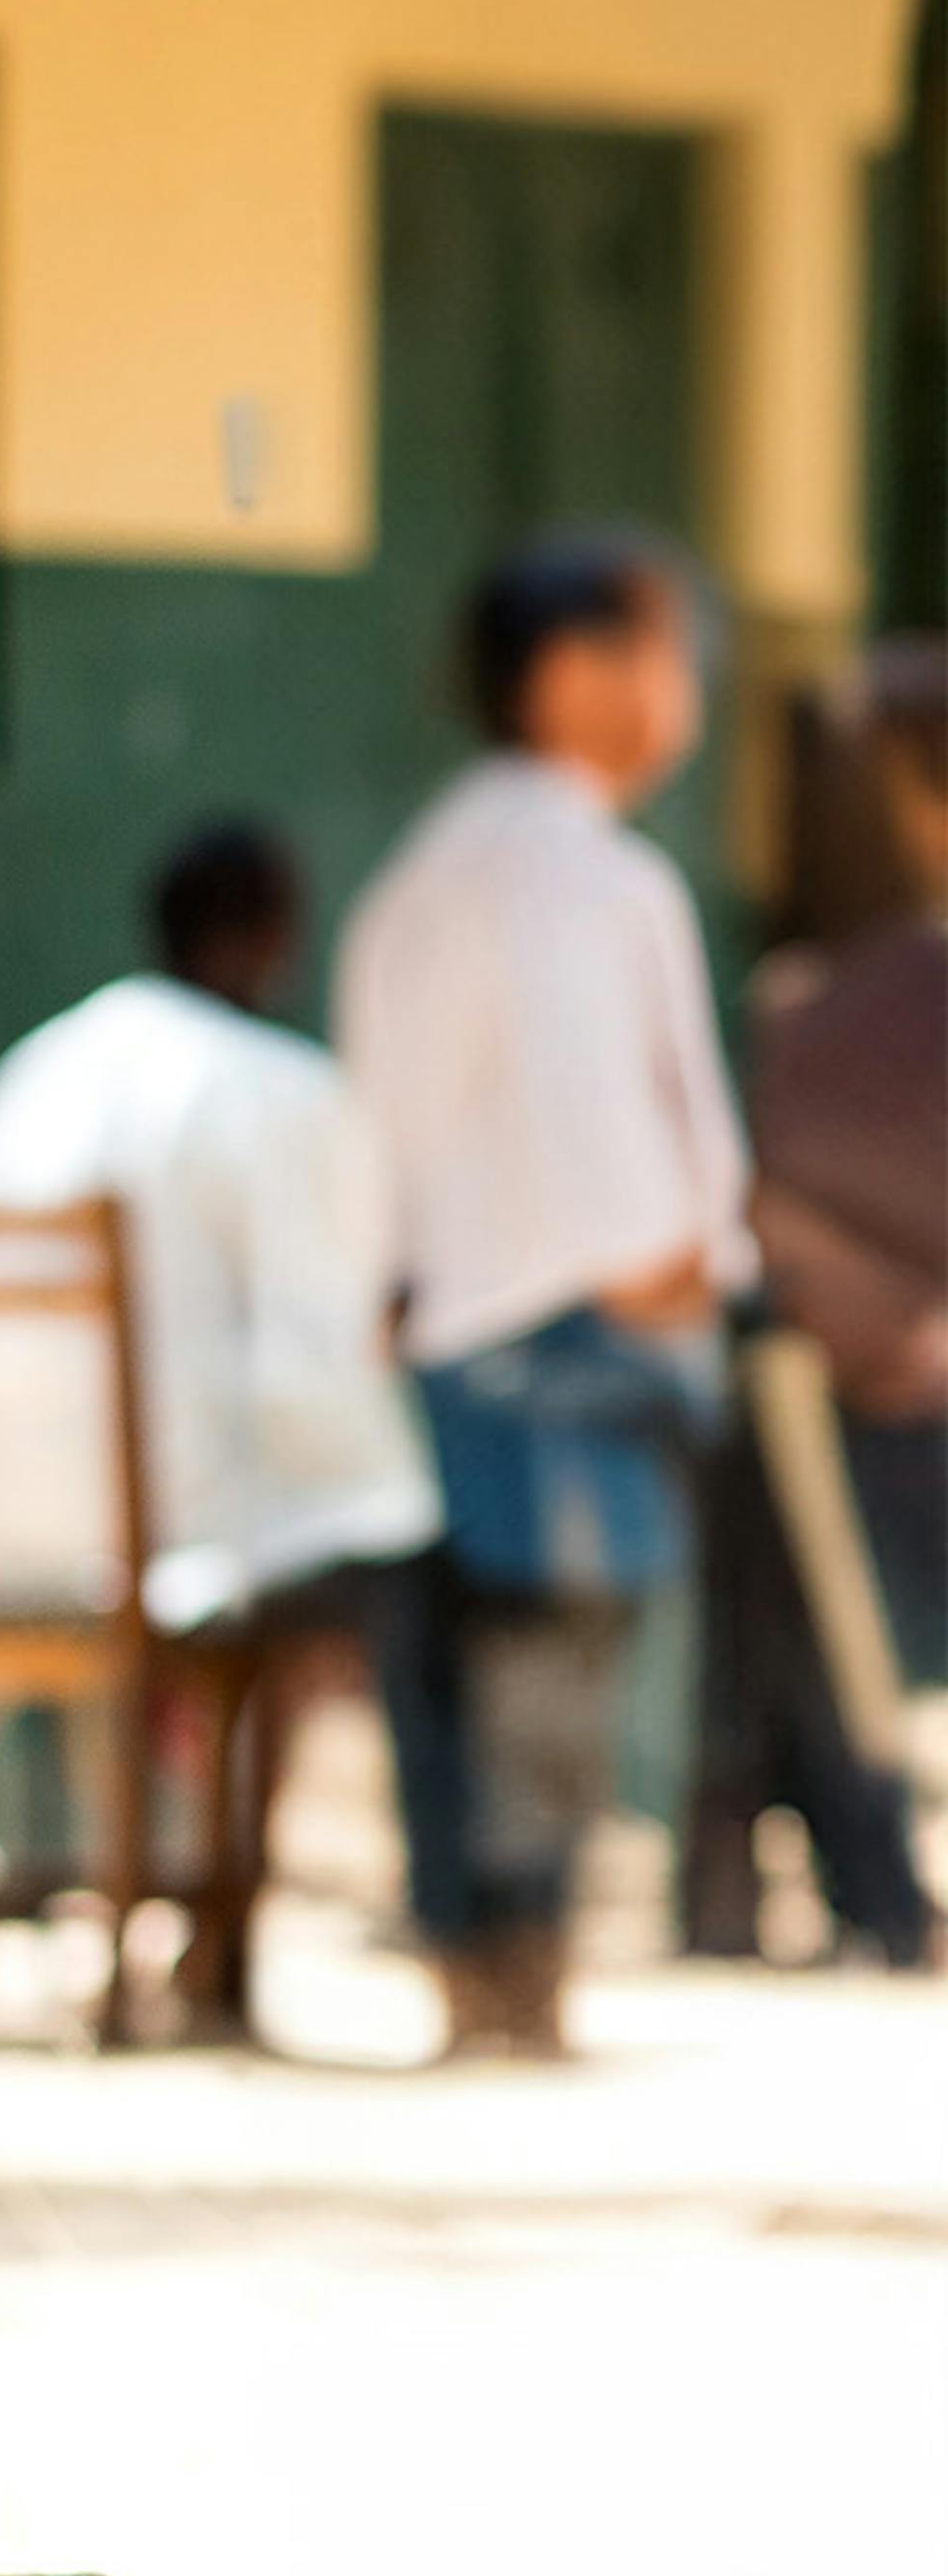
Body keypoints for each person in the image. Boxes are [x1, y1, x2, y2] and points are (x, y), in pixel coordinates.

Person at [336, 534, 754, 2057]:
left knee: (452, 1654)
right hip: (580, 1321)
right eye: (664, 656)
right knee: (559, 1656)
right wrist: (669, 1260)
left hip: (438, 1322)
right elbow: (616, 1123)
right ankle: (527, 1958)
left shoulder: (421, 878)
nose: (681, 693)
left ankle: (470, 1959)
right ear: (577, 677)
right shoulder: (592, 883)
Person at [0, 818, 445, 2032]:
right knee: (356, 1560)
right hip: (154, 1528)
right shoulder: (268, 1086)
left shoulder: (35, 1069)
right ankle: (232, 1920)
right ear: (274, 939)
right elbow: (319, 1359)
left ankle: (190, 1895)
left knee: (275, 1534)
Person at [708, 646, 948, 1970]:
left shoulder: (812, 1002)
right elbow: (753, 1204)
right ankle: (880, 1890)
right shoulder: (812, 1003)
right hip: (848, 1409)